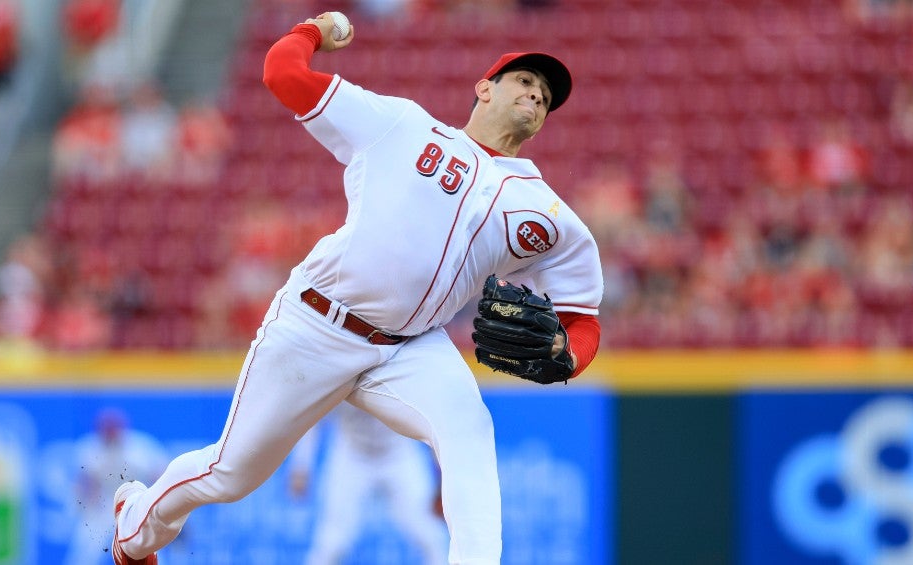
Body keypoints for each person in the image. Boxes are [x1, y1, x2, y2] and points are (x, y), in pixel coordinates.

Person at [110, 11, 603, 565]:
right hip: (316, 323)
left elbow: (583, 320)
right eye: (526, 82)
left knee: (469, 428)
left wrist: (567, 355)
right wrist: (313, 30)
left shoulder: (544, 209)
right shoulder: (403, 126)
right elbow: (281, 74)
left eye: (545, 96)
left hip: (408, 347)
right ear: (484, 89)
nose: (537, 97)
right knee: (229, 474)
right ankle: (137, 526)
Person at [288, 403, 448, 564]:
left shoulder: (398, 380)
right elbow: (312, 419)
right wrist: (301, 466)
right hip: (352, 456)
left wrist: (442, 472)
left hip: (398, 454)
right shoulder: (337, 379)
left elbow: (430, 419)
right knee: (333, 542)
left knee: (430, 535)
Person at [67, 408, 169, 565]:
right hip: (104, 503)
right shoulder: (88, 448)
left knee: (152, 547)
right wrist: (84, 508)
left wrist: (157, 506)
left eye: (114, 428)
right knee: (86, 549)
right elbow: (84, 484)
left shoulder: (140, 447)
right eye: (107, 428)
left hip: (136, 501)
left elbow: (161, 476)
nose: (111, 432)